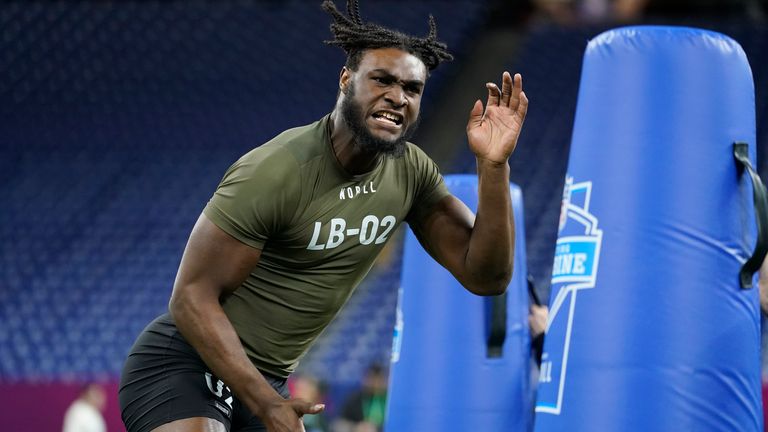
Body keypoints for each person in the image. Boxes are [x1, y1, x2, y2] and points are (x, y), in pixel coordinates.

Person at [118, 1, 529, 431]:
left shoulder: (410, 171)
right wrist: (268, 403)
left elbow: (487, 277)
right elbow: (190, 298)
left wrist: (493, 167)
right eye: (383, 80)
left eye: (412, 88)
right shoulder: (277, 169)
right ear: (346, 80)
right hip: (185, 363)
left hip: (264, 381)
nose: (398, 97)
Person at [333, 364, 388, 432]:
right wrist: (356, 427)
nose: (375, 383)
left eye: (379, 379)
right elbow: (339, 424)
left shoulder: (389, 400)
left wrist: (377, 428)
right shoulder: (354, 399)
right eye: (371, 378)